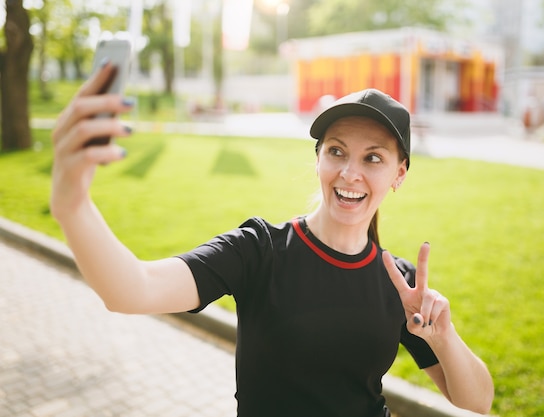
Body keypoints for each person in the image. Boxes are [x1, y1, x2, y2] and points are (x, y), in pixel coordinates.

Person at [51, 62, 494, 417]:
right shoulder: (259, 250)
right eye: (336, 151)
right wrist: (71, 204)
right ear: (318, 158)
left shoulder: (402, 285)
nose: (349, 173)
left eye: (373, 158)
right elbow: (132, 290)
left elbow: (476, 401)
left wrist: (443, 337)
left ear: (398, 174)